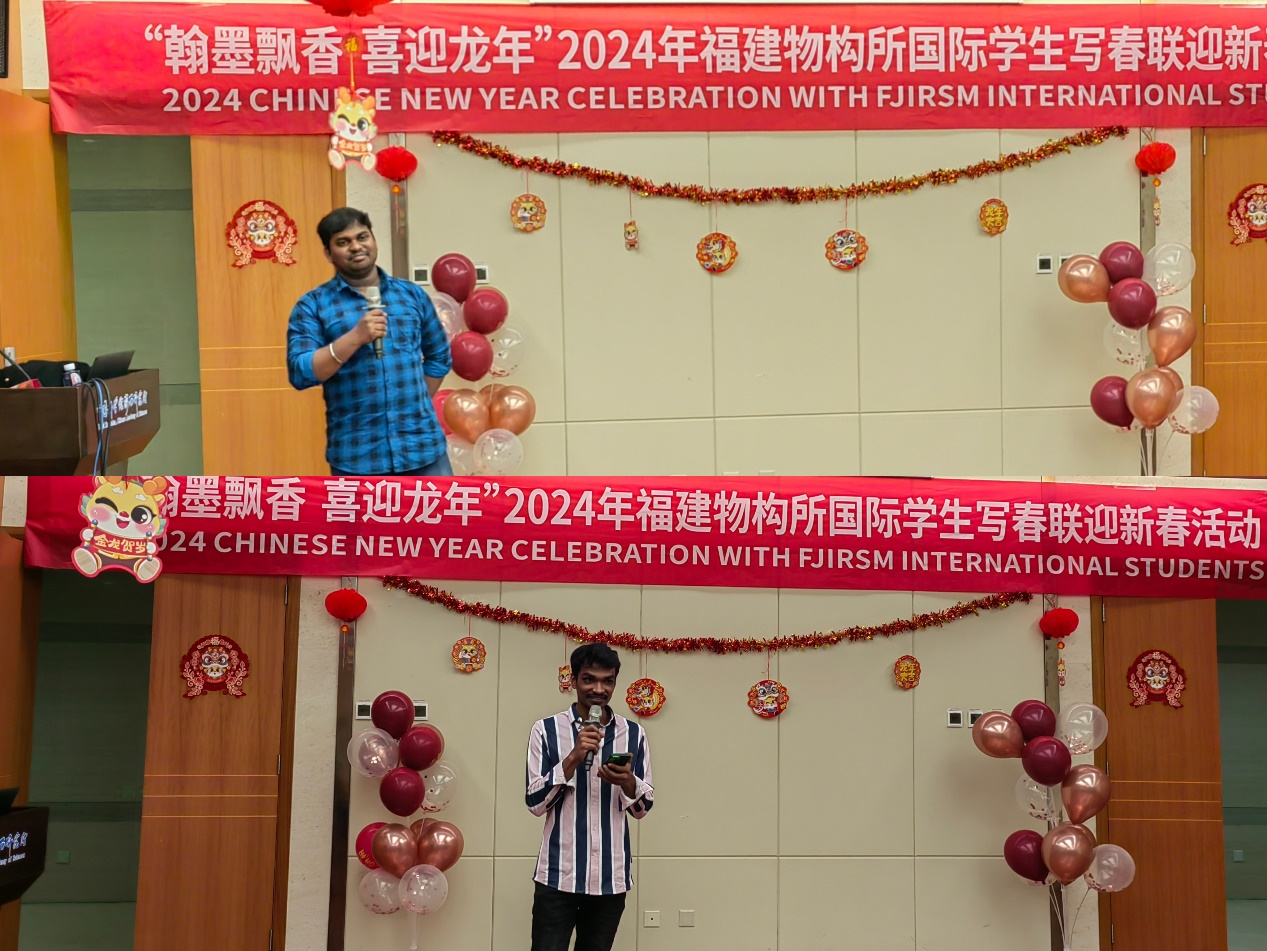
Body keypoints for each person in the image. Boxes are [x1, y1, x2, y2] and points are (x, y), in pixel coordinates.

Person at [286, 207, 453, 476]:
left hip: (423, 449)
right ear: (328, 254)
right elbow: (301, 371)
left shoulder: (411, 295)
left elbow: (439, 357)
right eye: (343, 242)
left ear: (374, 240)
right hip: (357, 457)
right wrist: (355, 338)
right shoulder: (313, 305)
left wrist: (416, 404)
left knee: (438, 507)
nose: (356, 246)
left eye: (362, 237)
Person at [525, 643, 654, 951]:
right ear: (573, 680)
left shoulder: (633, 734)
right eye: (589, 679)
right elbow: (534, 803)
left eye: (607, 681)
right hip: (558, 876)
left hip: (610, 879)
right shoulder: (546, 730)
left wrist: (627, 782)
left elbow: (643, 808)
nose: (599, 689)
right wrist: (573, 757)